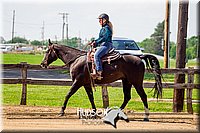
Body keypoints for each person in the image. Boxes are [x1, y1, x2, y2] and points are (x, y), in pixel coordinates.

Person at [90, 13, 114, 80]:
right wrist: (94, 41)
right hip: (103, 44)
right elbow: (100, 38)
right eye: (99, 20)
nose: (99, 21)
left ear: (105, 20)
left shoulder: (106, 28)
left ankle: (99, 72)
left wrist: (96, 42)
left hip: (106, 44)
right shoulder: (104, 28)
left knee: (97, 55)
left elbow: (104, 38)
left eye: (100, 19)